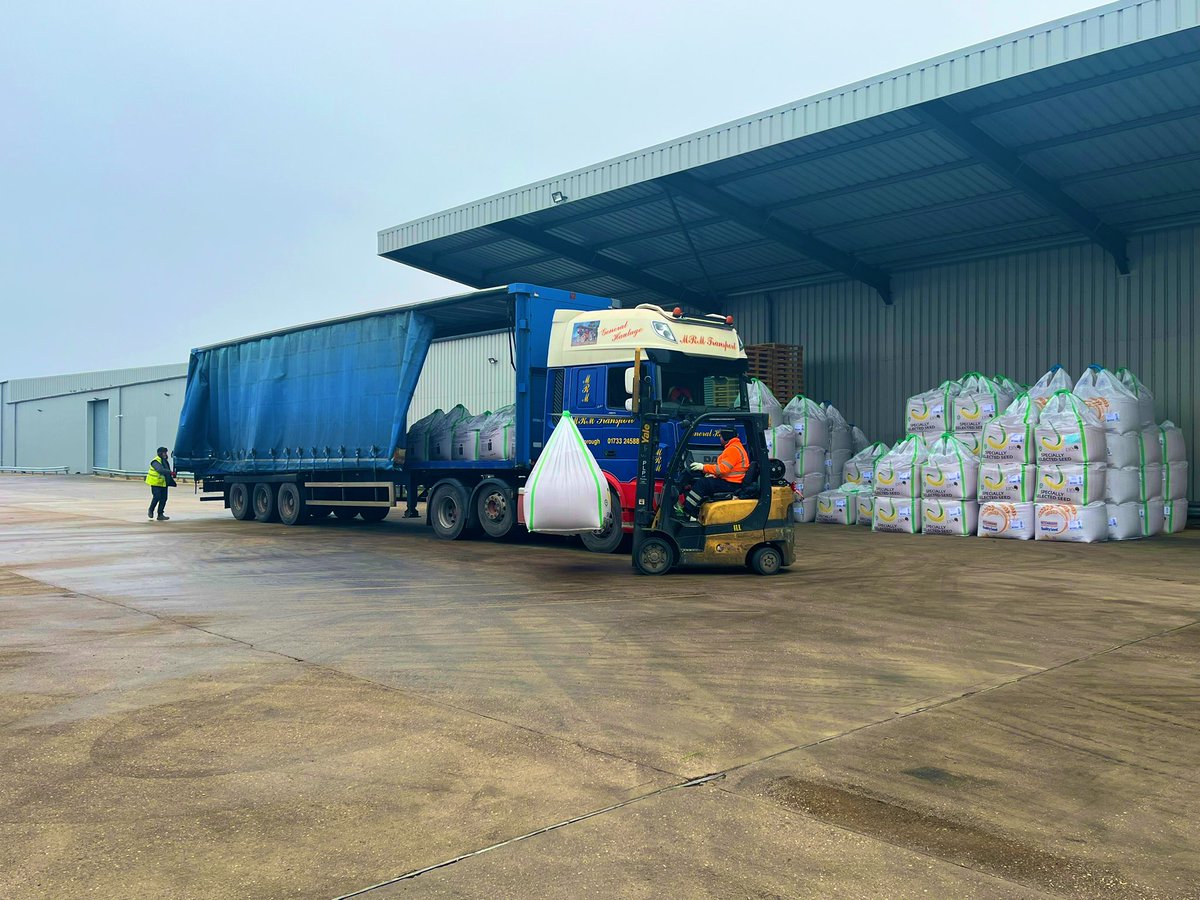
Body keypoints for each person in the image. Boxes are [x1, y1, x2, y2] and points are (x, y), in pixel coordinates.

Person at [680, 428, 750, 518]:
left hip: (732, 484)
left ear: (726, 437)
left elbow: (723, 469)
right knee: (703, 481)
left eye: (720, 436)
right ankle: (695, 510)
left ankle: (687, 511)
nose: (720, 439)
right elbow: (726, 469)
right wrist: (713, 474)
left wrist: (704, 467)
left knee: (703, 483)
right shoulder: (735, 447)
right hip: (732, 481)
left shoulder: (733, 449)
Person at [145, 447, 175, 520]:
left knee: (164, 498)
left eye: (166, 452)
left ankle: (160, 514)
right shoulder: (155, 461)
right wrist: (170, 472)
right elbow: (160, 470)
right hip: (156, 483)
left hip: (163, 483)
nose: (165, 454)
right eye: (164, 453)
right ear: (160, 453)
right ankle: (151, 510)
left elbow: (167, 470)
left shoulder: (164, 461)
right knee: (157, 497)